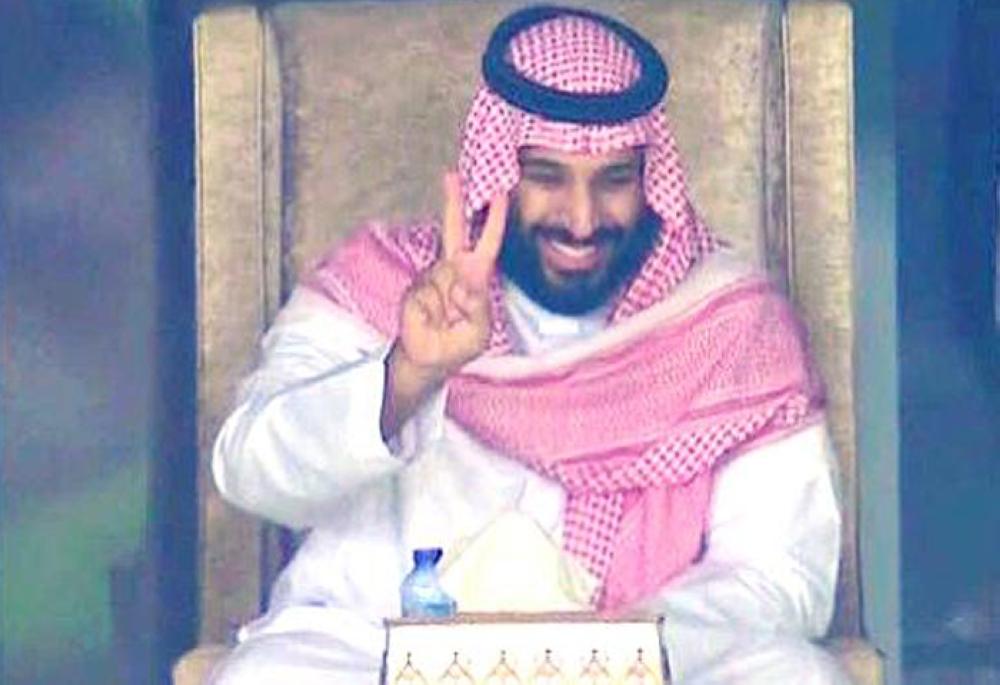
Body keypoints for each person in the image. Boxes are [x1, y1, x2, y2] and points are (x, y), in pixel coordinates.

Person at [207, 5, 851, 684]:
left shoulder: (728, 325)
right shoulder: (383, 286)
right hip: (379, 656)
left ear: (651, 179)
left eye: (613, 180)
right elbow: (248, 470)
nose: (581, 218)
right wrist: (408, 373)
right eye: (547, 177)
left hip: (642, 663)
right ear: (497, 174)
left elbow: (784, 572)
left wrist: (607, 652)